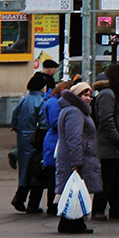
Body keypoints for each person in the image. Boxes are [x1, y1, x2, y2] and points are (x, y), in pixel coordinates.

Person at [55, 81, 99, 234]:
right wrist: (76, 161)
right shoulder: (75, 111)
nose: (87, 98)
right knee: (76, 190)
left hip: (76, 155)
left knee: (74, 190)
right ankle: (74, 223)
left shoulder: (74, 110)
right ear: (77, 96)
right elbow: (75, 138)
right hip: (75, 157)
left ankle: (69, 223)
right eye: (84, 95)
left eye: (89, 95)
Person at [92, 63, 119, 221]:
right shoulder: (108, 94)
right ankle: (98, 209)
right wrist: (117, 139)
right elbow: (106, 120)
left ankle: (117, 208)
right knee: (108, 179)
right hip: (114, 145)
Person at [10, 73, 47, 213]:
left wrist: (18, 129)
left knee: (24, 169)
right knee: (36, 169)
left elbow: (14, 117)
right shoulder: (41, 102)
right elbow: (43, 123)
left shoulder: (23, 100)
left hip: (22, 137)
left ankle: (20, 197)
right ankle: (32, 203)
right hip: (35, 138)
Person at [40, 81, 70, 215]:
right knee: (54, 174)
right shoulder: (54, 103)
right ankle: (52, 205)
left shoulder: (52, 100)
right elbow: (55, 122)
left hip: (54, 140)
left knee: (55, 174)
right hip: (54, 141)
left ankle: (54, 204)